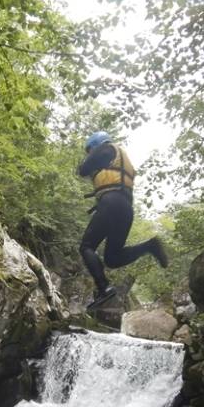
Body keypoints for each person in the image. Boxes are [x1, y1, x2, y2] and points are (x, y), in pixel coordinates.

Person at [77, 131, 168, 309]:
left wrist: (88, 163)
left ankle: (104, 288)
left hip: (111, 204)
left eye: (89, 149)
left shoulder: (105, 148)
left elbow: (83, 170)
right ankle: (150, 246)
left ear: (95, 144)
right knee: (112, 258)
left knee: (86, 246)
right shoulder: (119, 157)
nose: (89, 153)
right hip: (125, 209)